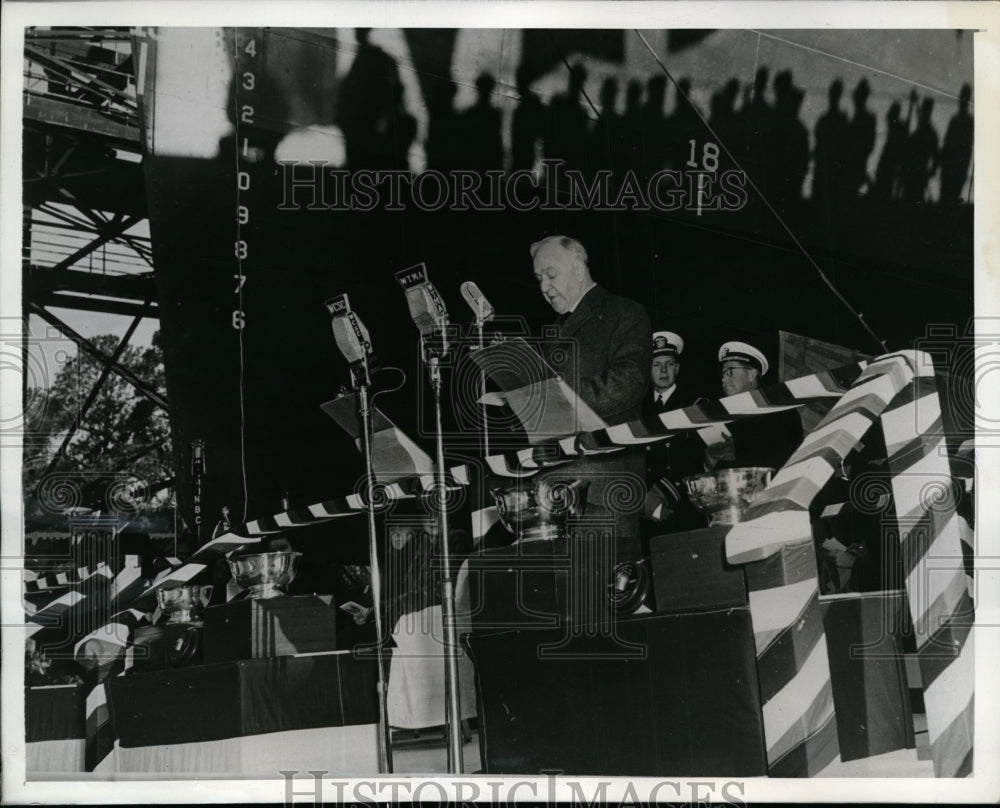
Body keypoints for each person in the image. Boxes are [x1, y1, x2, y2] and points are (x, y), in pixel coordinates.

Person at [530, 235, 652, 561]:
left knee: (606, 594)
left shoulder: (625, 313)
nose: (544, 286)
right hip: (555, 487)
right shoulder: (550, 335)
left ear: (579, 267)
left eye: (551, 274)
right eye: (539, 278)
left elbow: (629, 382)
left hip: (605, 486)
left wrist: (558, 402)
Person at [705, 341, 803, 472]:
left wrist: (739, 452)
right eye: (723, 374)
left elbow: (791, 461)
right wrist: (709, 462)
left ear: (752, 375)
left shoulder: (781, 412)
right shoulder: (720, 416)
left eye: (729, 372)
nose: (723, 379)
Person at [641, 331, 704, 531]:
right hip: (644, 504)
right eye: (656, 364)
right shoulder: (638, 407)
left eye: (669, 364)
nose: (663, 370)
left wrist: (664, 493)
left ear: (677, 368)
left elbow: (700, 456)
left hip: (681, 502)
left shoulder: (695, 403)